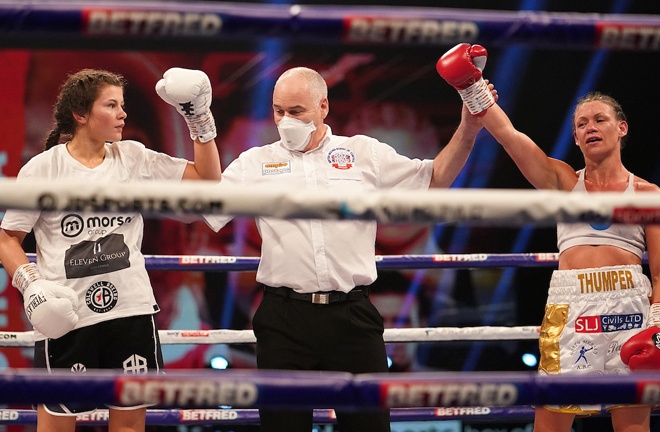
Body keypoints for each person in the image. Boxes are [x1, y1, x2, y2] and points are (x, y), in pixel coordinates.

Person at [200, 65, 486, 432]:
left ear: (323, 107)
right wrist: (200, 128)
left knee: (369, 425)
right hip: (283, 318)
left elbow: (435, 179)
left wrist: (469, 127)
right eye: (278, 111)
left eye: (296, 111)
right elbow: (206, 208)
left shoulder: (363, 153)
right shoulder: (255, 161)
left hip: (351, 316)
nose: (285, 120)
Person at [437, 43, 660, 432]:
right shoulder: (561, 182)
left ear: (621, 128)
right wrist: (470, 87)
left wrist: (658, 326)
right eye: (581, 124)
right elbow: (509, 136)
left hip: (631, 309)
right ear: (575, 138)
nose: (590, 127)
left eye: (600, 120)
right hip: (571, 306)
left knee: (632, 426)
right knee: (550, 423)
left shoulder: (648, 195)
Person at [0, 67, 221, 432]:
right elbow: (8, 237)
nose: (123, 114)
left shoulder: (133, 157)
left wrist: (199, 120)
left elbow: (209, 184)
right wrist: (31, 285)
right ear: (81, 114)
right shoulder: (42, 170)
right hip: (67, 316)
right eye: (112, 105)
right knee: (55, 425)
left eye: (123, 104)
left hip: (130, 312)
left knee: (130, 426)